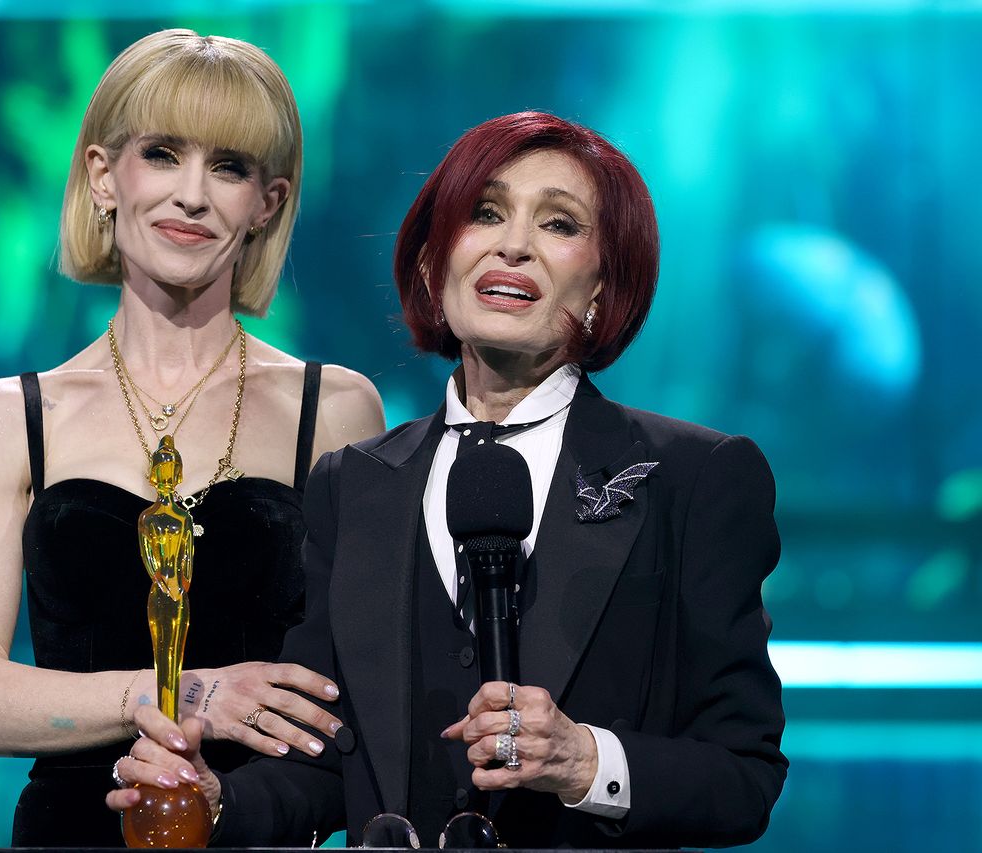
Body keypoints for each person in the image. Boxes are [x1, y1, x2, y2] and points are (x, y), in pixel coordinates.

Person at [111, 111, 788, 849]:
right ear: (435, 265)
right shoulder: (354, 483)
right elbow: (325, 763)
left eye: (559, 225)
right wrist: (216, 801)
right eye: (486, 213)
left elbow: (743, 775)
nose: (514, 244)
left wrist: (585, 760)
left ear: (604, 285)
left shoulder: (693, 478)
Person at [0, 29, 386, 848]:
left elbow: (367, 689)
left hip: (259, 827)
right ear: (105, 176)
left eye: (231, 167)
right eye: (163, 154)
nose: (193, 195)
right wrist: (184, 693)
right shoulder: (12, 414)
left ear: (268, 203)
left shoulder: (335, 408)